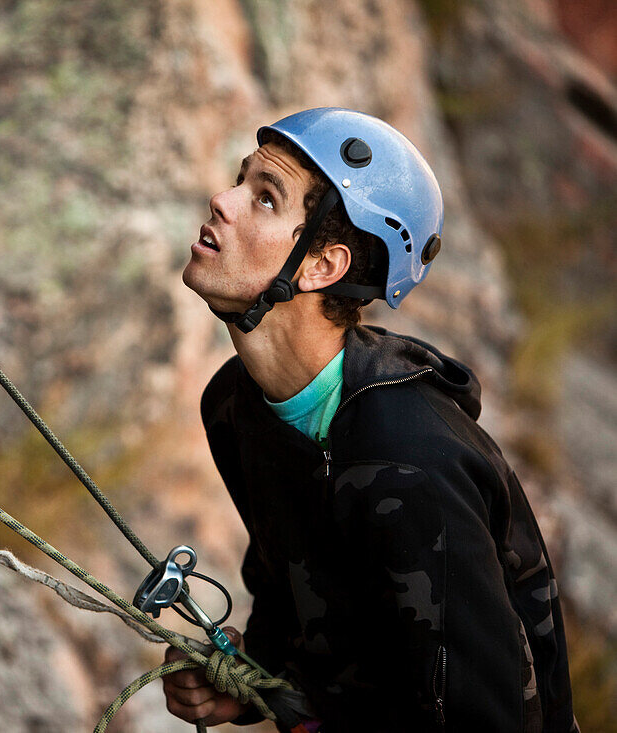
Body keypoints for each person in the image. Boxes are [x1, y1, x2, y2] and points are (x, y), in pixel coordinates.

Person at [162, 108, 577, 731]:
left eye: (265, 199)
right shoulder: (235, 405)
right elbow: (298, 600)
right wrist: (253, 681)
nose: (222, 201)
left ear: (322, 266)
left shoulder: (411, 457)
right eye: (239, 181)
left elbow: (485, 713)